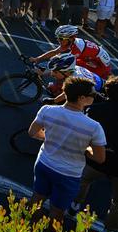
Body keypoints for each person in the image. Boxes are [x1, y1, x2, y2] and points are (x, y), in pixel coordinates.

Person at [28, 76, 106, 224]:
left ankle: (25, 229)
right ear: (82, 98)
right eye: (93, 94)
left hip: (43, 163)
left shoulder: (47, 110)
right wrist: (86, 148)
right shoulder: (94, 127)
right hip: (68, 174)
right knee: (57, 212)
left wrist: (53, 139)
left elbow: (33, 132)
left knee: (37, 199)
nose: (95, 97)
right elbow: (99, 158)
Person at [68, 76, 118, 232]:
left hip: (95, 156)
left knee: (83, 181)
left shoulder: (96, 109)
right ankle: (108, 230)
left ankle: (75, 205)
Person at [30, 25, 112, 80]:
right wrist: (37, 58)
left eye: (61, 39)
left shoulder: (77, 48)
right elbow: (54, 52)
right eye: (58, 38)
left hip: (101, 66)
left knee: (69, 72)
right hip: (91, 59)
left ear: (72, 38)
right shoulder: (69, 42)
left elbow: (62, 64)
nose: (59, 40)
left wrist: (43, 73)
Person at [39, 53, 104, 104]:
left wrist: (53, 101)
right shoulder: (70, 69)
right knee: (56, 86)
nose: (52, 74)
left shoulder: (75, 79)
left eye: (55, 72)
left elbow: (65, 94)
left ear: (66, 72)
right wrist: (42, 73)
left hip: (99, 89)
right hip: (97, 80)